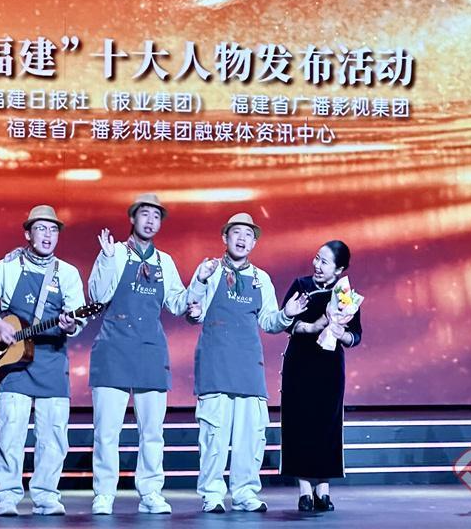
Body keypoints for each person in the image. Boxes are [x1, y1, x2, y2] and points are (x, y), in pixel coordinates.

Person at [0, 205, 86, 516]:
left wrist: (71, 325)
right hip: (13, 364)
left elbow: (78, 317)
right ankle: (6, 496)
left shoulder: (68, 273)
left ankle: (46, 496)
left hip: (52, 362)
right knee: (10, 431)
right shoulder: (8, 267)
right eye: (41, 229)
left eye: (53, 229)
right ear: (28, 234)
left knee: (53, 436)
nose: (48, 235)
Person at [186, 212, 308, 513]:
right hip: (215, 366)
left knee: (251, 437)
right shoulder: (210, 271)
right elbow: (193, 311)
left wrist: (287, 314)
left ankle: (244, 493)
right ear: (225, 238)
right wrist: (199, 286)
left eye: (248, 235)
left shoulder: (261, 279)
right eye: (236, 233)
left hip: (249, 368)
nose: (242, 239)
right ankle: (212, 494)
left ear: (254, 243)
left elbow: (269, 321)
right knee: (214, 437)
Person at [88, 194, 189, 515]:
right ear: (133, 218)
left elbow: (177, 303)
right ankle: (104, 494)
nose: (150, 221)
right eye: (144, 214)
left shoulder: (165, 262)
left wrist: (198, 287)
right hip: (113, 350)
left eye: (156, 216)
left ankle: (150, 493)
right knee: (107, 431)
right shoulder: (115, 252)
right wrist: (106, 259)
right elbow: (97, 295)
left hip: (150, 352)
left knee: (152, 432)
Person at [279, 240, 362, 512]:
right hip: (300, 364)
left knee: (327, 424)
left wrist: (342, 335)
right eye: (316, 258)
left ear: (338, 269)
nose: (317, 265)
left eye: (324, 262)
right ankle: (304, 489)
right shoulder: (301, 286)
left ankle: (323, 489)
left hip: (330, 367)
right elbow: (287, 323)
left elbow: (356, 335)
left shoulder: (346, 295)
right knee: (299, 422)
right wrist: (315, 326)